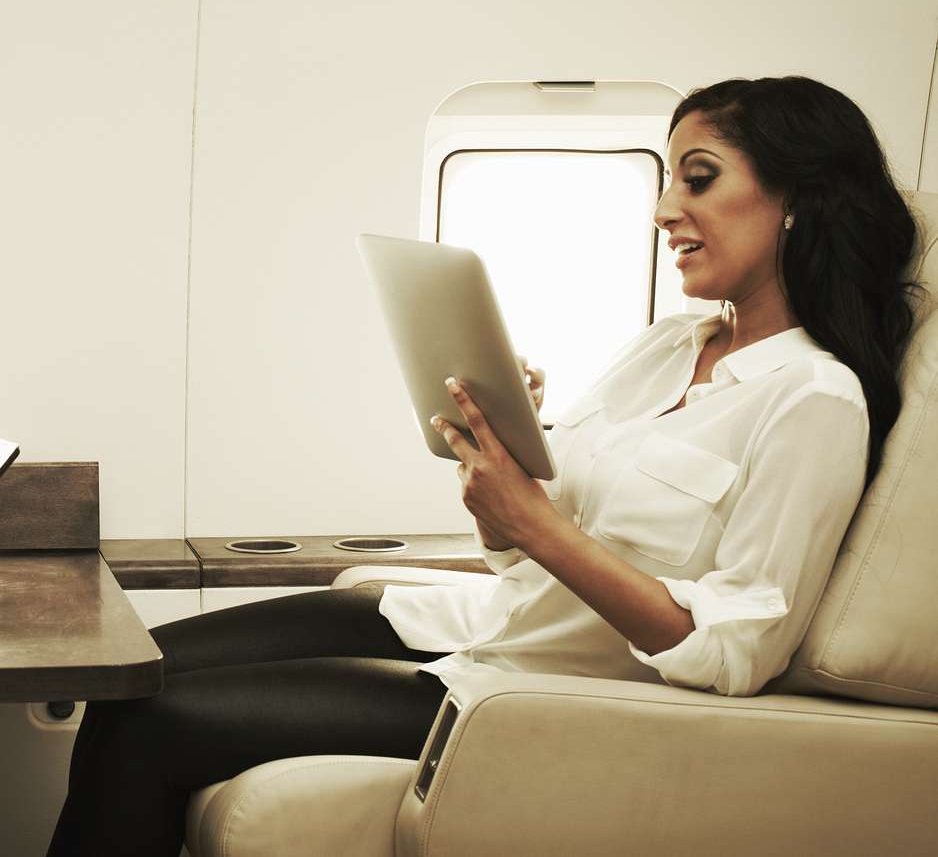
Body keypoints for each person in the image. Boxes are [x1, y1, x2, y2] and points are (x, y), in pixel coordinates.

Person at [46, 74, 922, 856]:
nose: (662, 209)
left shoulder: (813, 400)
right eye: (665, 179)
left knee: (149, 729)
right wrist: (501, 464)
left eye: (698, 178)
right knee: (133, 671)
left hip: (533, 690)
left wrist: (536, 524)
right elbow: (512, 551)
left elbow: (740, 650)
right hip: (466, 622)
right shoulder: (664, 348)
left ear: (797, 198)